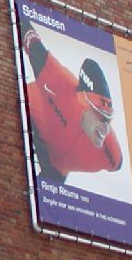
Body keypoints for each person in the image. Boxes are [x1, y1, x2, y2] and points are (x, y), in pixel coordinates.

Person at [19, 15, 123, 183]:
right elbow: (32, 42)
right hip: (31, 117)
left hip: (56, 169)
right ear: (85, 105)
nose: (105, 128)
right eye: (101, 116)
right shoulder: (60, 81)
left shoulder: (112, 156)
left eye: (109, 120)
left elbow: (118, 165)